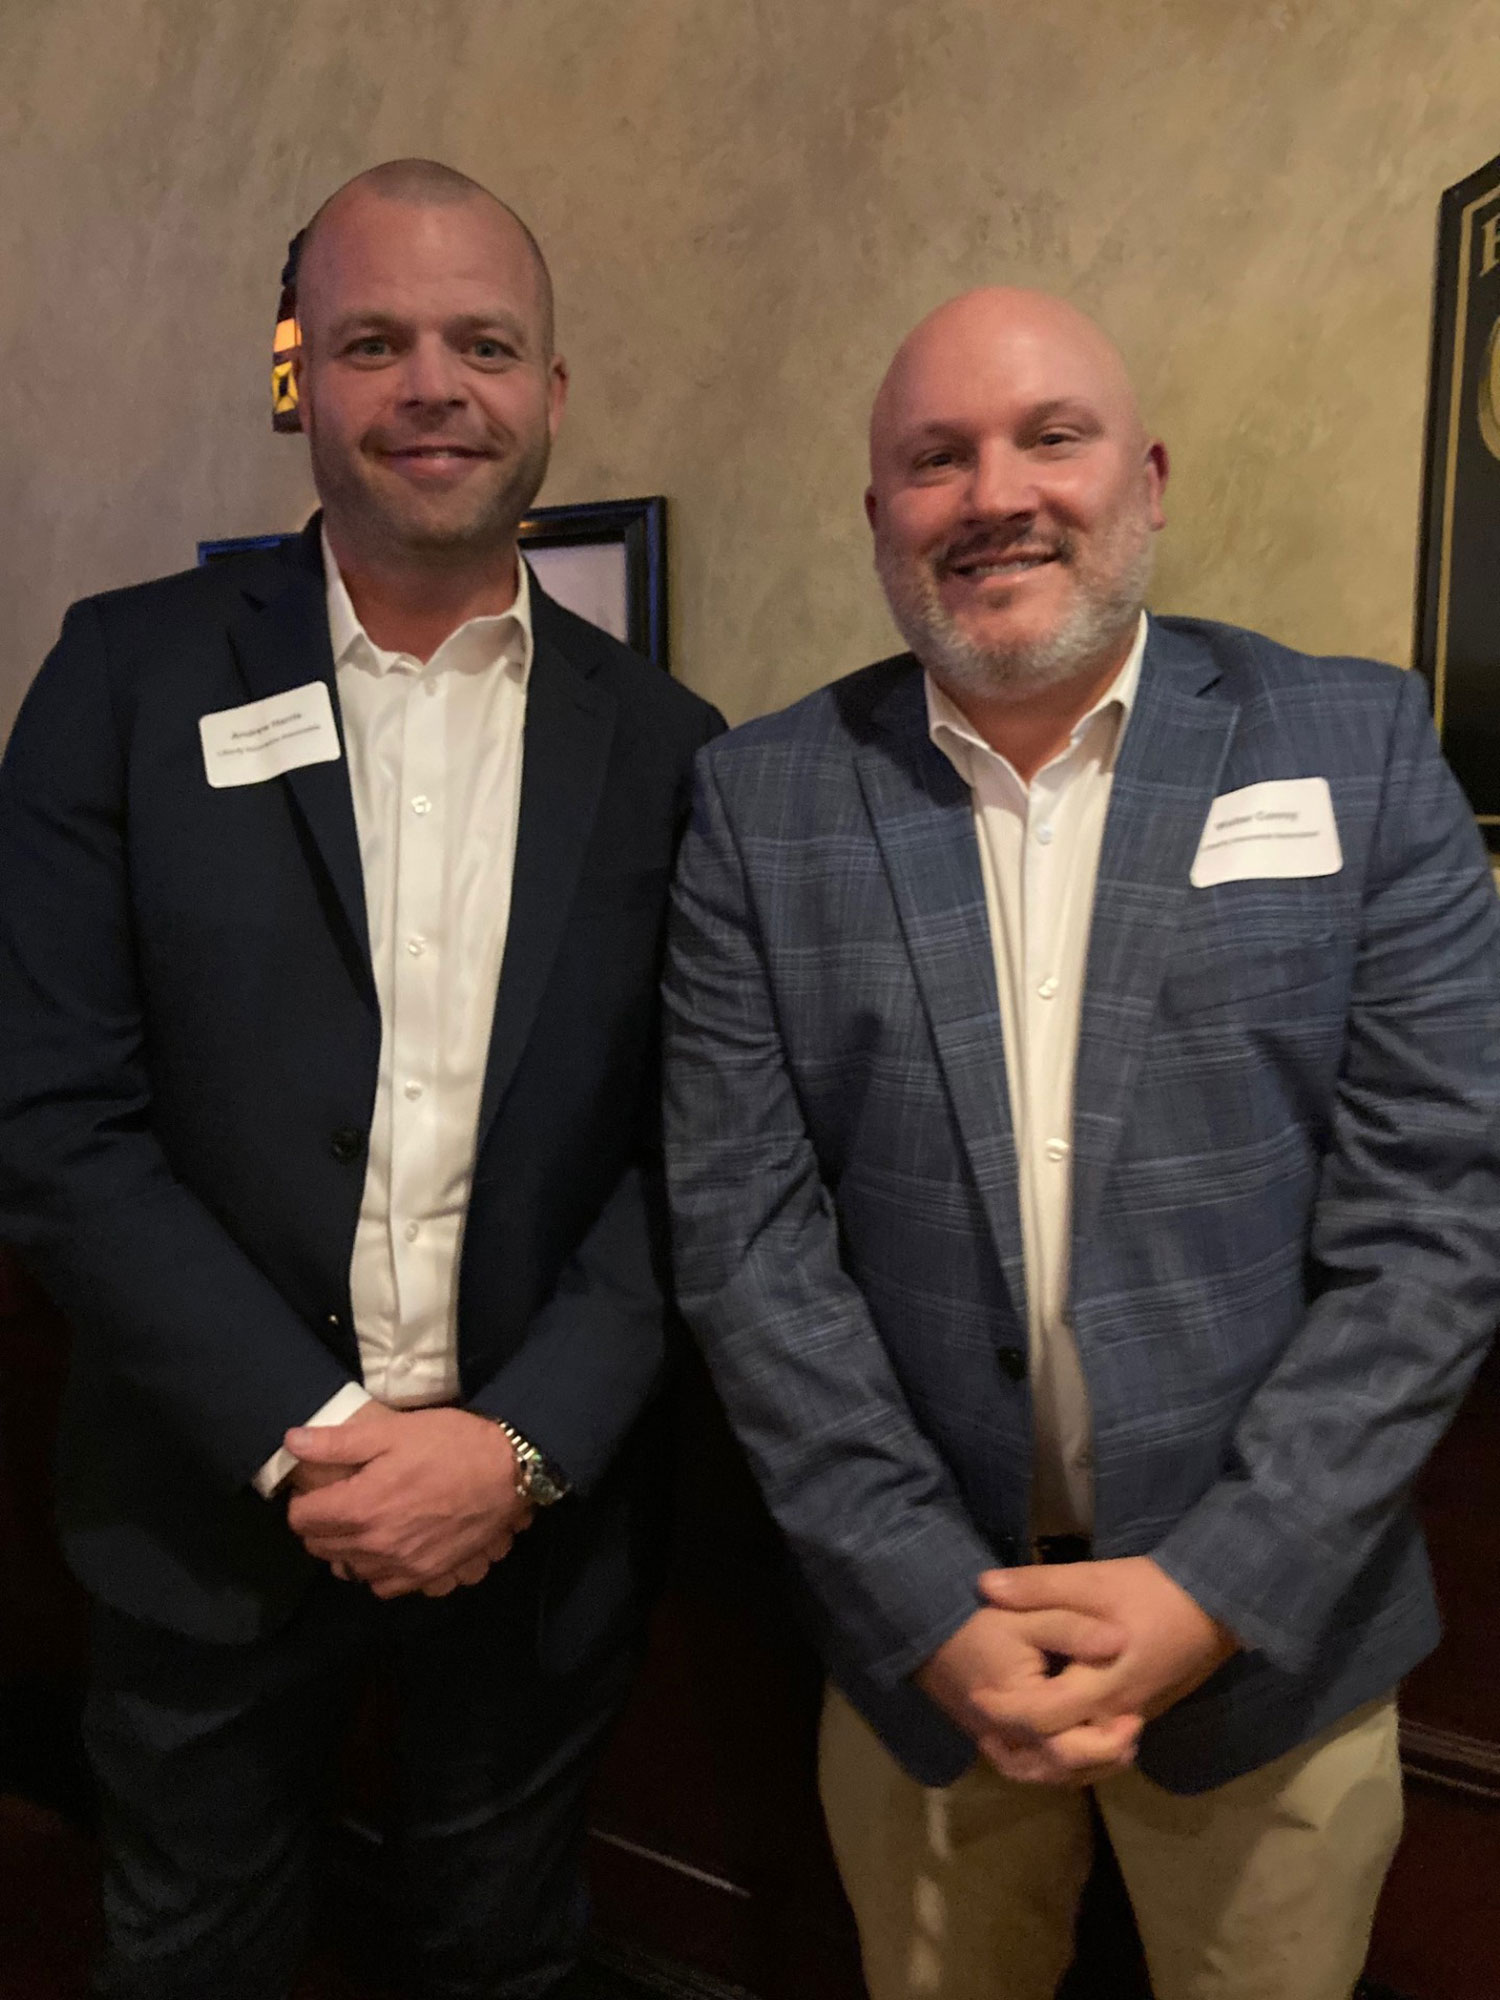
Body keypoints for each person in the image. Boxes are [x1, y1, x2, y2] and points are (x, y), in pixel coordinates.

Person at [663, 286, 1500, 2000]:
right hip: (925, 1654)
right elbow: (748, 1247)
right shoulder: (761, 801)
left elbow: (1437, 1221)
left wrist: (1216, 1588)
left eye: (1052, 436)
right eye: (936, 458)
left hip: (1276, 1649)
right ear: (879, 512)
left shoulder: (1356, 745)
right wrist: (924, 1598)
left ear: (1150, 478)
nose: (996, 495)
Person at [0, 158, 721, 2000]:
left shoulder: (670, 747)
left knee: (504, 1956)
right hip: (204, 1506)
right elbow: (53, 1119)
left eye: (485, 344)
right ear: (298, 377)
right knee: (191, 1955)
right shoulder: (122, 678)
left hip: (531, 1530)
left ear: (551, 390)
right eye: (374, 341)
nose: (434, 387)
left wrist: (515, 1450)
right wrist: (310, 1433)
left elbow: (691, 1154)